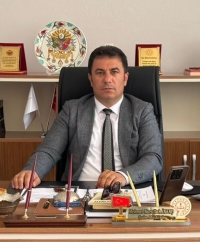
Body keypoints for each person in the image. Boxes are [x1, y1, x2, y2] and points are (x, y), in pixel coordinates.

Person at [12, 45, 162, 190]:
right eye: (100, 73)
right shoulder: (72, 110)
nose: (107, 79)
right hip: (80, 193)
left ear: (125, 78)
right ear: (90, 79)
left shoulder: (142, 110)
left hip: (126, 190)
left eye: (114, 72)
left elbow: (153, 158)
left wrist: (123, 176)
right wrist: (32, 171)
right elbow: (49, 150)